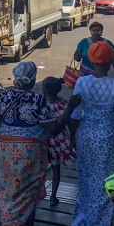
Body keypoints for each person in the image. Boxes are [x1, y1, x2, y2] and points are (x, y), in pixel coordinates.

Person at [0, 62, 68, 226]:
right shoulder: (38, 100)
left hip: (7, 149)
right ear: (33, 78)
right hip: (31, 151)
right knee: (27, 190)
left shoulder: (2, 96)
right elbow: (53, 129)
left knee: (9, 187)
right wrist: (70, 108)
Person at [69, 41, 114, 226]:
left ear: (91, 60)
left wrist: (72, 137)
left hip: (85, 136)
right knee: (106, 183)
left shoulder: (82, 82)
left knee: (85, 181)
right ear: (110, 60)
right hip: (106, 138)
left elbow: (76, 114)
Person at [43, 76, 76, 206]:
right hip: (60, 141)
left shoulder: (43, 104)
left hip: (46, 140)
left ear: (46, 91)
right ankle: (53, 196)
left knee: (42, 169)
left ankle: (39, 193)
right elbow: (70, 123)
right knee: (56, 169)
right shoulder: (65, 104)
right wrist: (72, 140)